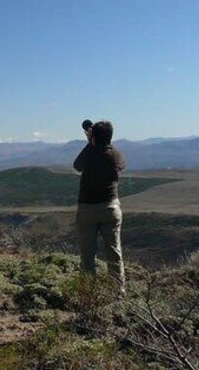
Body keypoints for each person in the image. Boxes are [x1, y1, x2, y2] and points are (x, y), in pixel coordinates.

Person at [73, 120, 126, 293]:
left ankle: (88, 294)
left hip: (88, 209)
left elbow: (77, 165)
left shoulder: (89, 153)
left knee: (87, 256)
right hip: (110, 208)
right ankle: (118, 292)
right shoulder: (114, 155)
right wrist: (101, 140)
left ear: (93, 137)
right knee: (114, 253)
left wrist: (90, 143)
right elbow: (121, 163)